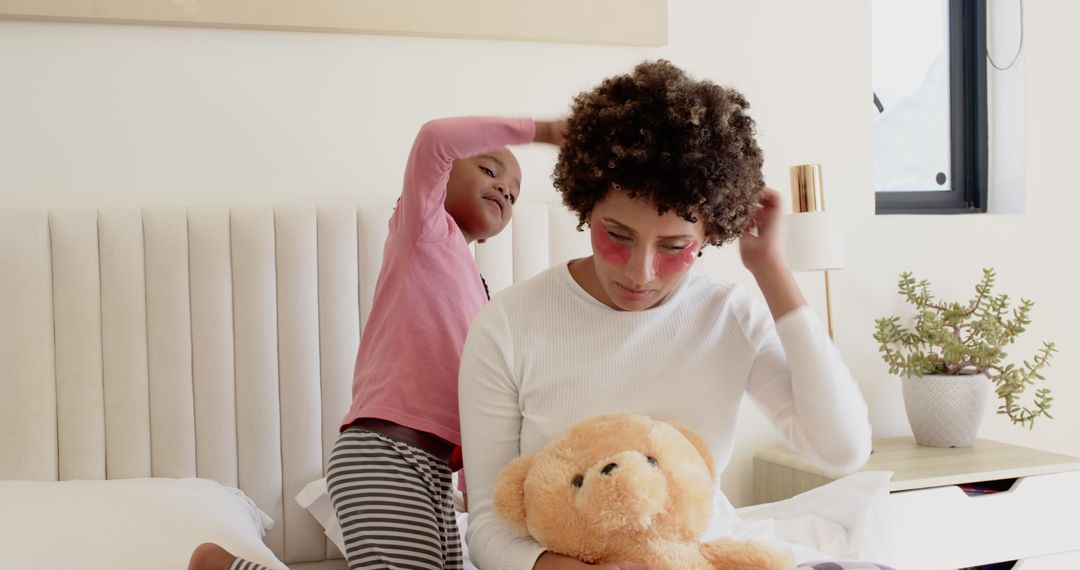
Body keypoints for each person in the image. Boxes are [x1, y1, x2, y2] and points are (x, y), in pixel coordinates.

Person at [458, 60, 872, 570]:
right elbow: (489, 526)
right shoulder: (510, 323)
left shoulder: (728, 315)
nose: (641, 273)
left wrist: (771, 271)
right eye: (617, 236)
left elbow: (842, 448)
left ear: (708, 235)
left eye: (675, 246)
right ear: (586, 206)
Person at [188, 115, 565, 570]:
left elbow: (475, 405)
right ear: (441, 178)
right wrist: (542, 132)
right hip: (387, 453)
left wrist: (480, 495)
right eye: (490, 171)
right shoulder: (423, 230)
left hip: (432, 472)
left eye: (515, 192)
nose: (505, 189)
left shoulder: (483, 296)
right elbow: (434, 138)